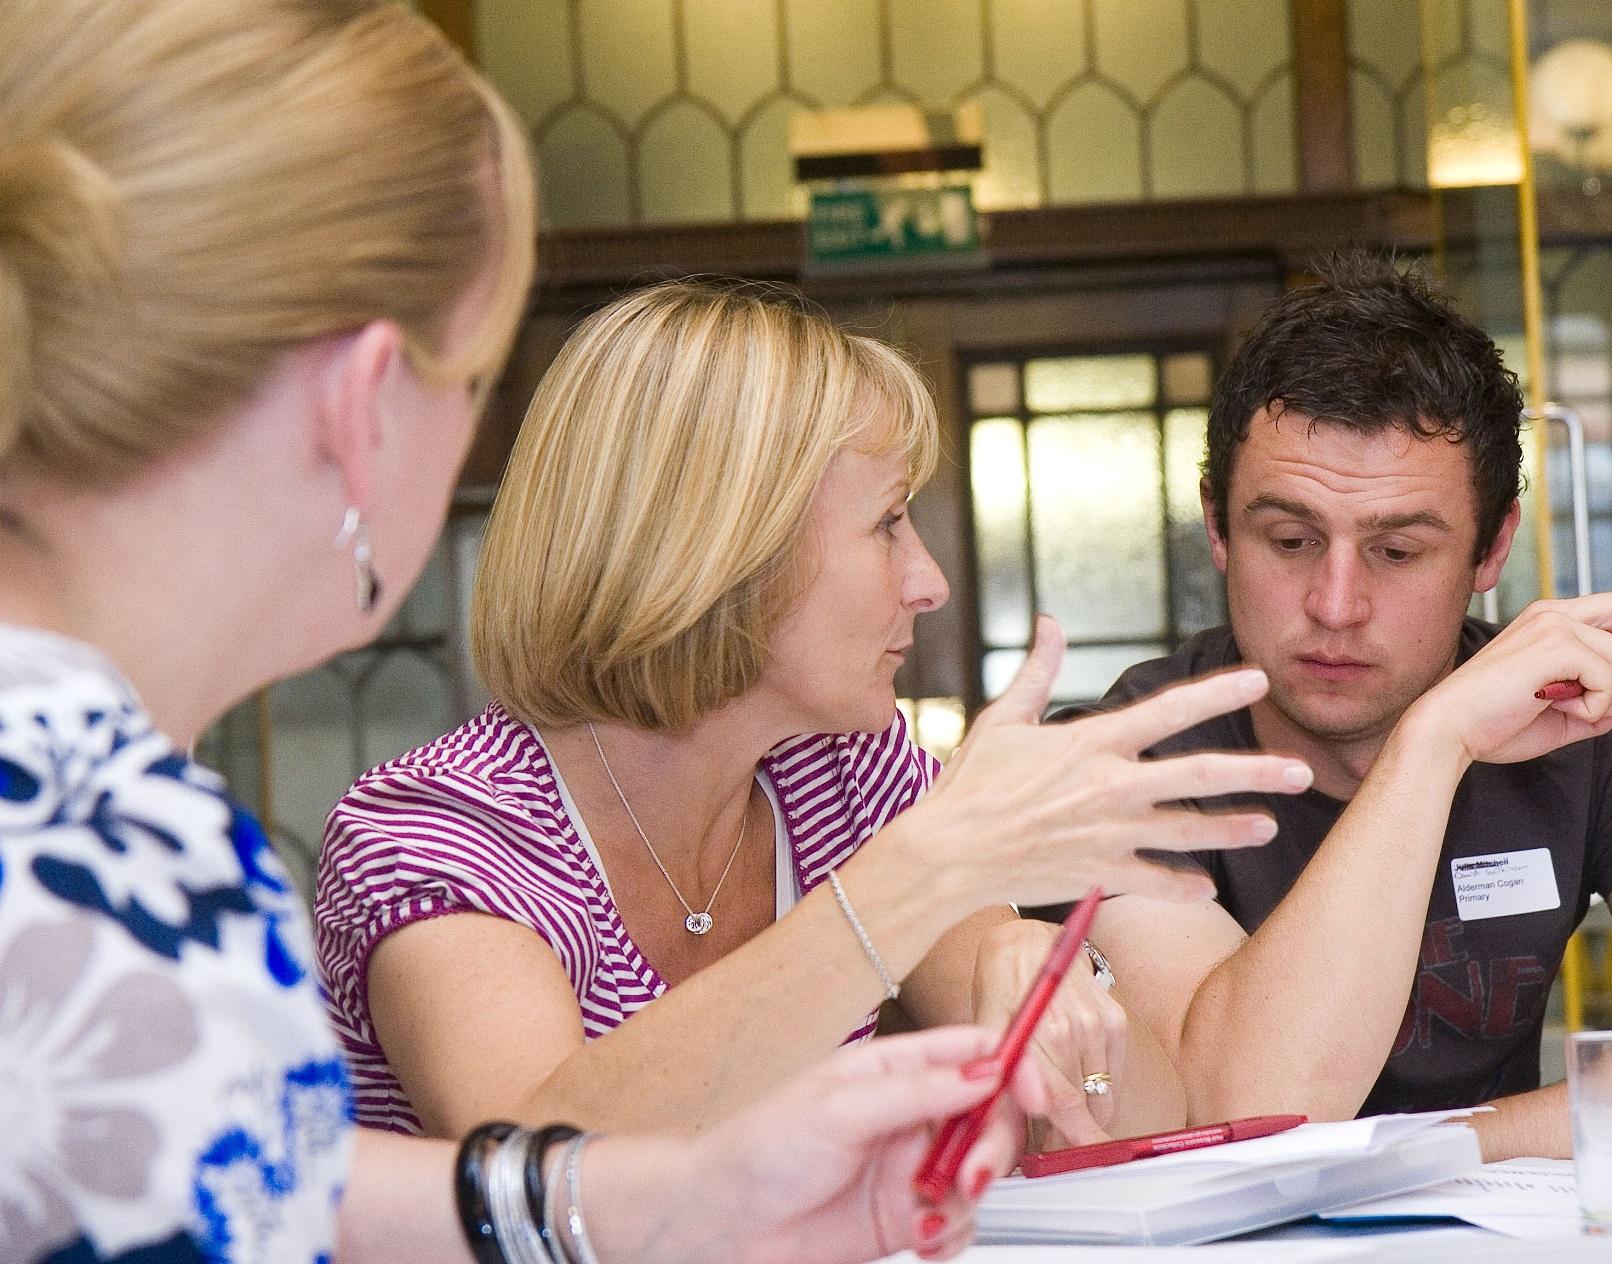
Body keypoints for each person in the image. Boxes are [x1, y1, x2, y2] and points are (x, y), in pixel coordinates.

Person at [0, 0, 1104, 1259]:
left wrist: (689, 1197)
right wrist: (931, 866)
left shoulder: (105, 795)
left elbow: (248, 1178)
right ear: (364, 404)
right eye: (467, 384)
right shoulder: (107, 835)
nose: (925, 579)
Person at [316, 282, 1312, 1152]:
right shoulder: (434, 827)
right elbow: (538, 1171)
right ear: (718, 553)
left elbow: (1146, 1119)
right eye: (886, 522)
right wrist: (917, 878)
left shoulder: (844, 770)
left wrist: (1051, 975)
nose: (927, 581)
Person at [1057, 252, 1612, 1161]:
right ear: (1216, 525)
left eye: (1397, 552)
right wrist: (1431, 746)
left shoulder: (1582, 717)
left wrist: (1450, 1146)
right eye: (1288, 540)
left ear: (1491, 552)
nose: (1335, 604)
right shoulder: (1126, 759)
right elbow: (1232, 1113)